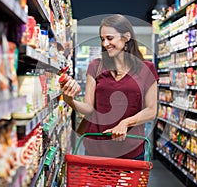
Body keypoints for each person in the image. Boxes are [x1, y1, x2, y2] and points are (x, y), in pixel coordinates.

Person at [61, 14, 158, 160]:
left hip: (131, 148)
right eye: (102, 39)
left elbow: (151, 111)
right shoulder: (95, 66)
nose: (105, 44)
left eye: (110, 38)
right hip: (97, 148)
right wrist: (70, 101)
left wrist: (125, 123)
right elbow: (89, 108)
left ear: (126, 37)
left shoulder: (147, 68)